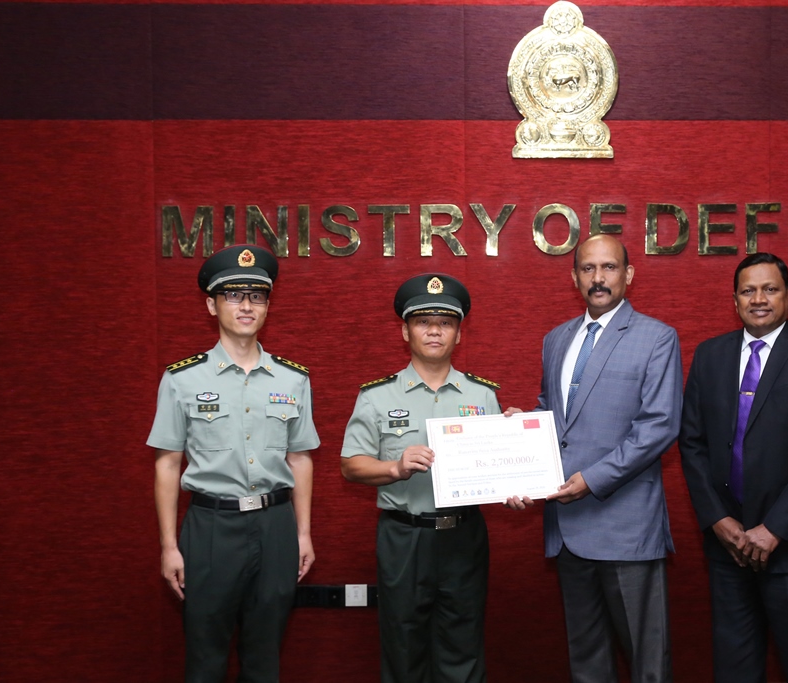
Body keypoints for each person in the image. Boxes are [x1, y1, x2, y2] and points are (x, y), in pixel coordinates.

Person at [510, 234, 682, 682]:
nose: (598, 278)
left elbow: (658, 426)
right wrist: (517, 431)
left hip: (625, 524)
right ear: (574, 277)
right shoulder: (556, 339)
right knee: (587, 659)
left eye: (608, 268)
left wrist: (591, 479)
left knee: (646, 660)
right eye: (588, 269)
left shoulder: (657, 337)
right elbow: (553, 415)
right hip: (567, 529)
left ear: (628, 275)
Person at [148, 244, 320, 682]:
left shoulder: (293, 378)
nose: (246, 305)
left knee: (265, 656)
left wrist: (302, 534)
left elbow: (300, 458)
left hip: (276, 524)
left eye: (257, 296)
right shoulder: (182, 379)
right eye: (233, 295)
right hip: (210, 528)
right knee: (205, 656)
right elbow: (168, 463)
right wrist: (169, 545)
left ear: (267, 305)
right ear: (211, 304)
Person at [678, 252, 788, 683]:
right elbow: (692, 443)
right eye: (748, 290)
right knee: (733, 672)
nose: (759, 299)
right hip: (728, 550)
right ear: (734, 299)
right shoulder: (709, 355)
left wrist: (774, 528)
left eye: (770, 289)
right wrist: (717, 519)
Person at [340, 273, 502, 683]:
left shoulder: (482, 395)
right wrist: (394, 467)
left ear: (459, 334)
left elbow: (499, 467)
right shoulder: (376, 395)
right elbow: (351, 465)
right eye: (423, 321)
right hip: (404, 537)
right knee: (403, 646)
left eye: (445, 322)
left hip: (464, 535)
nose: (434, 330)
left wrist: (515, 472)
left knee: (463, 647)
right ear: (405, 330)